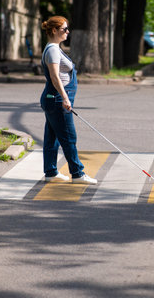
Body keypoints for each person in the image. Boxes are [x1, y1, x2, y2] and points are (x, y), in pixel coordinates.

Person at [40, 16, 97, 184]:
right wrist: (65, 97)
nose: (67, 32)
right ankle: (78, 174)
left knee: (52, 137)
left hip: (54, 99)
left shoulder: (55, 48)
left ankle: (50, 172)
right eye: (64, 29)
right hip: (57, 99)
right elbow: (54, 76)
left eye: (67, 29)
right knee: (69, 137)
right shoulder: (51, 50)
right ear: (54, 31)